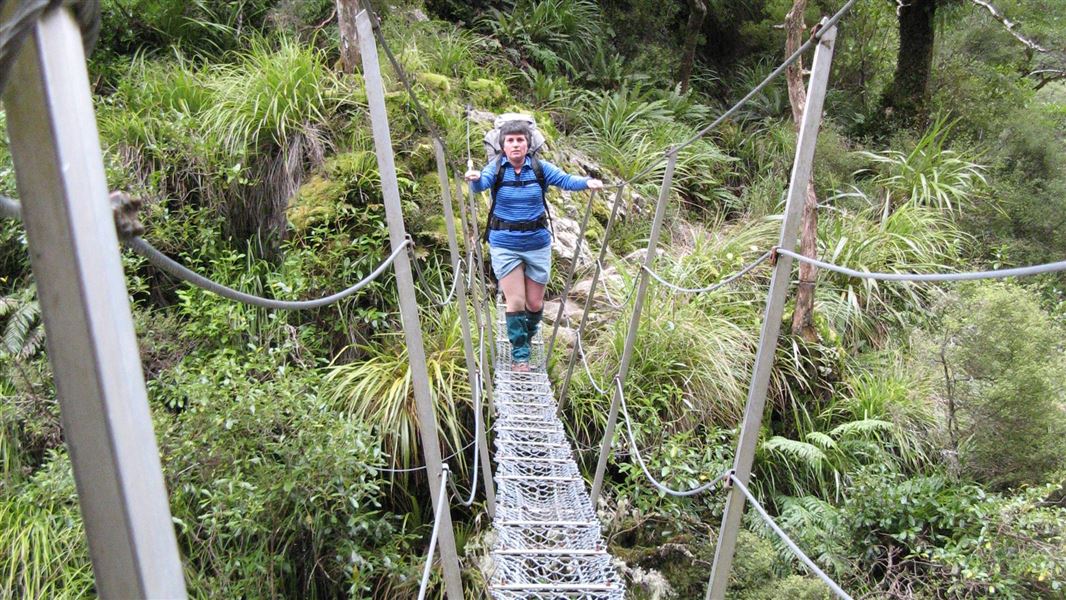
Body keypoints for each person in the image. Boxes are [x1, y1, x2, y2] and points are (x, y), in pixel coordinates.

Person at [465, 120, 603, 372]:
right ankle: (520, 356)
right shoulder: (495, 168)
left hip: (537, 243)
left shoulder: (539, 168)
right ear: (503, 145)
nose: (516, 144)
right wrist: (473, 179)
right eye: (510, 140)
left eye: (520, 140)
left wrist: (586, 182)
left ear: (528, 144)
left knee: (535, 304)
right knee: (515, 302)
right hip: (504, 243)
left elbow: (565, 180)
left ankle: (525, 338)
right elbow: (481, 184)